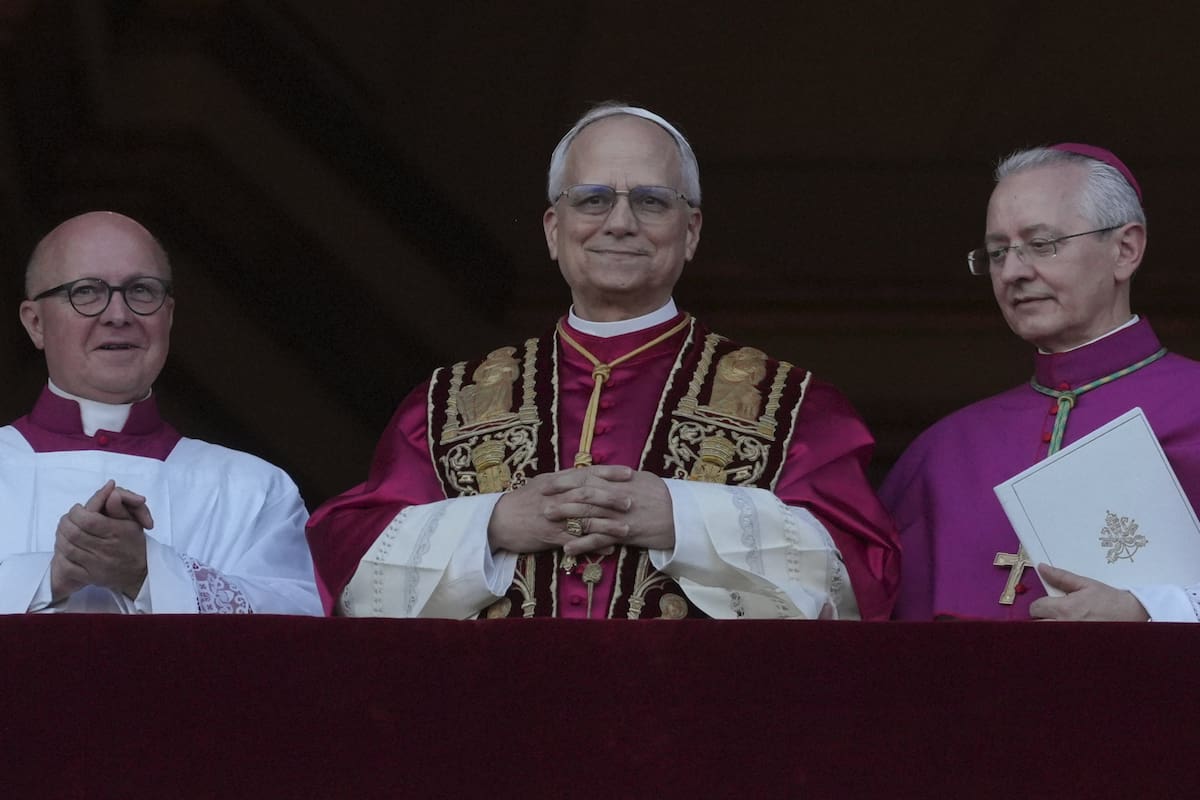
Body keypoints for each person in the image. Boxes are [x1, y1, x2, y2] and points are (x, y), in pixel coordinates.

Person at [306, 104, 900, 620]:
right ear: (553, 228)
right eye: (592, 200)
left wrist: (684, 520)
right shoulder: (446, 405)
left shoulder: (792, 405)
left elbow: (863, 574)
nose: (620, 222)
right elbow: (346, 564)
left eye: (651, 201)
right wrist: (493, 523)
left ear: (691, 231)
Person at [881, 143, 1200, 622]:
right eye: (997, 253)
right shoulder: (942, 453)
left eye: (1042, 244)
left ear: (1125, 249)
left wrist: (1150, 610)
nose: (1013, 272)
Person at [0, 211, 321, 614]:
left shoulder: (254, 490)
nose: (118, 315)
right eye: (86, 292)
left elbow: (302, 628)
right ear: (35, 323)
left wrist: (149, 573)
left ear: (167, 316)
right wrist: (50, 577)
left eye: (141, 291)